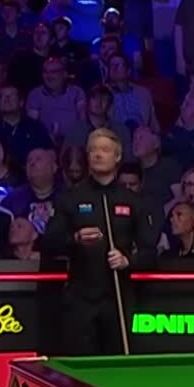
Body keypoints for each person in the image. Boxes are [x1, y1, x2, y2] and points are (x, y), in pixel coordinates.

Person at [42, 128, 160, 354]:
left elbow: (150, 253)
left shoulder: (133, 201)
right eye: (93, 150)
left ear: (117, 156)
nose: (98, 154)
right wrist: (75, 238)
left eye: (105, 150)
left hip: (118, 299)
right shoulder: (70, 198)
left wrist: (127, 260)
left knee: (117, 365)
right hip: (79, 300)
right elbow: (50, 242)